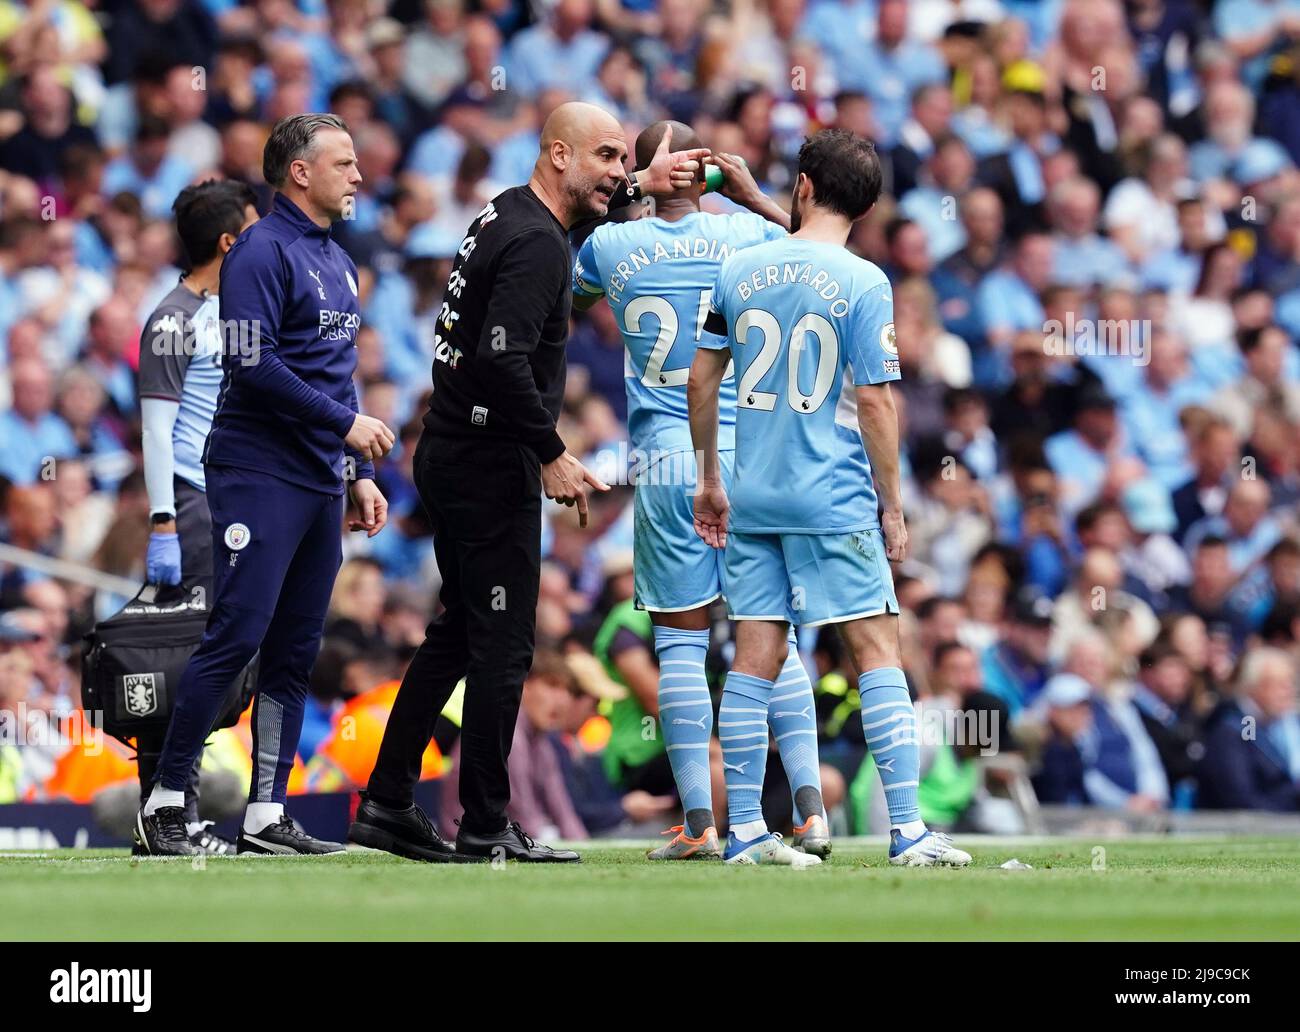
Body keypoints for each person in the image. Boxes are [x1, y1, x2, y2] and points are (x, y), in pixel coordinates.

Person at [349, 102, 708, 863]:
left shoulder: (512, 214)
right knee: (505, 648)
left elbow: (560, 245)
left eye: (623, 160)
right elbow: (501, 358)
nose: (618, 171)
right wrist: (550, 448)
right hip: (488, 461)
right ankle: (484, 823)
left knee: (457, 635)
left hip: (455, 449)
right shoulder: (537, 245)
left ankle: (385, 800)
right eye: (606, 157)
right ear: (557, 155)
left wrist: (643, 179)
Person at [689, 128, 970, 867]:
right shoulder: (865, 282)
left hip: (750, 492)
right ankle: (907, 830)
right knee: (877, 650)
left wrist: (709, 479)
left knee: (754, 657)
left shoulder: (739, 266)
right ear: (868, 207)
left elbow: (700, 379)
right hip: (832, 494)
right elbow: (875, 402)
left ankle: (744, 831)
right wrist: (895, 505)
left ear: (804, 186)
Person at [134, 113, 395, 856]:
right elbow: (253, 364)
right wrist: (346, 432)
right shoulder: (258, 251)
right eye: (343, 163)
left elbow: (336, 376)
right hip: (256, 470)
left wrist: (357, 473)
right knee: (237, 633)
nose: (358, 175)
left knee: (294, 647)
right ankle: (166, 801)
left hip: (318, 477)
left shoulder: (338, 261)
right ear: (300, 172)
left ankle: (264, 814)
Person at [572, 119, 832, 861]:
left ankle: (700, 824)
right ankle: (809, 810)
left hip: (664, 458)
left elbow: (553, 288)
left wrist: (624, 197)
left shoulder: (611, 246)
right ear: (708, 172)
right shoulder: (747, 239)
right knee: (771, 635)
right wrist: (752, 193)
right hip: (751, 455)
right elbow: (824, 254)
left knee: (681, 646)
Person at [134, 177, 259, 856]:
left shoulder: (229, 312)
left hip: (227, 499)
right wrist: (162, 523)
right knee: (190, 661)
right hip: (188, 501)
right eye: (252, 226)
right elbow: (156, 431)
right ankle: (168, 815)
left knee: (223, 661)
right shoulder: (174, 318)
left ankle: (166, 812)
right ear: (228, 241)